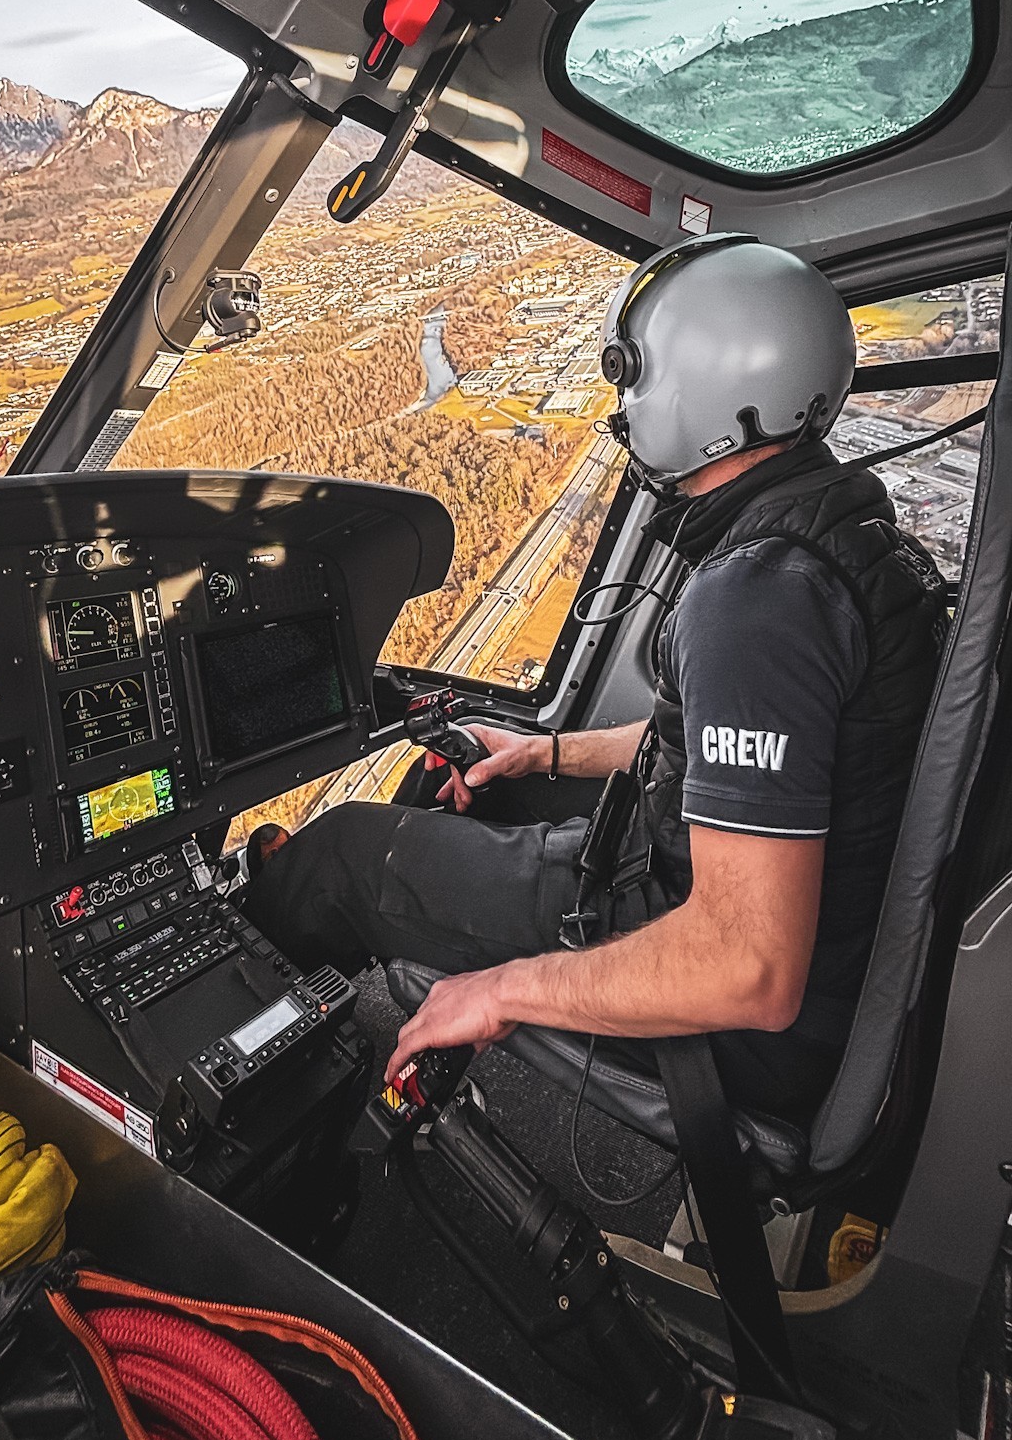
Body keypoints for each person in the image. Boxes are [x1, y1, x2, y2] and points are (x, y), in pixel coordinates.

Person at [247, 235, 948, 1124]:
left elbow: (750, 970)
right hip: (741, 915)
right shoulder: (849, 541)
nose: (624, 403)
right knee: (455, 779)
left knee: (342, 855)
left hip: (733, 1004)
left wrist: (504, 990)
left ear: (701, 382)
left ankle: (239, 1097)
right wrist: (542, 753)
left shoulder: (760, 597)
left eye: (632, 373)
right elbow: (719, 744)